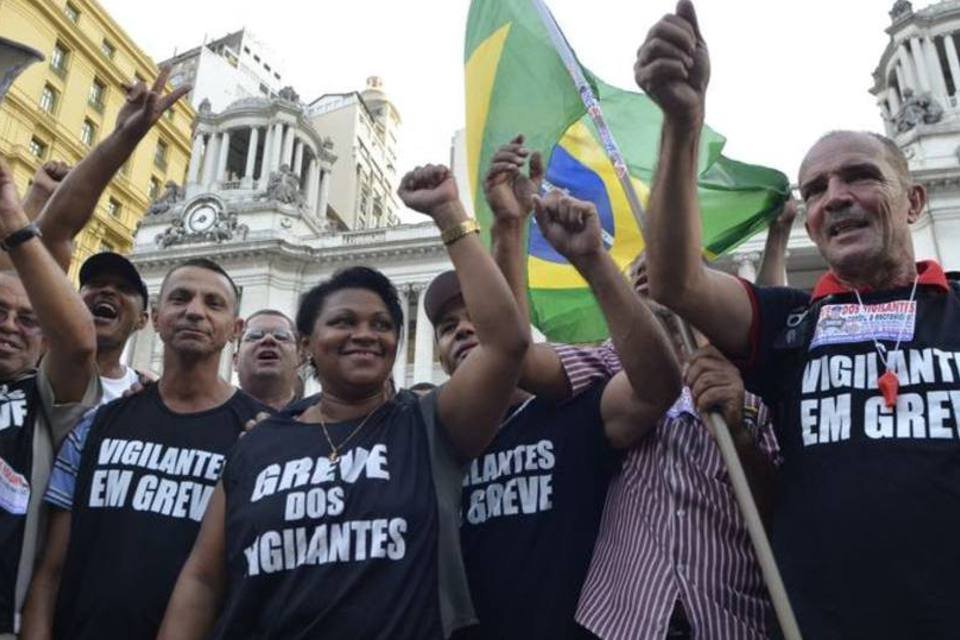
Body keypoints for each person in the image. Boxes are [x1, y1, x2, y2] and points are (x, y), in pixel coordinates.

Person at [637, 2, 960, 637]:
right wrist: (683, 122)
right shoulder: (792, 322)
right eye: (815, 190)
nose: (834, 197)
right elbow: (675, 279)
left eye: (860, 177)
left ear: (915, 201)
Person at [157, 163, 529, 639]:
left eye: (381, 325)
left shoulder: (429, 426)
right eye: (344, 322)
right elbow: (203, 579)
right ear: (307, 345)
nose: (364, 335)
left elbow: (506, 343)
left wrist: (447, 213)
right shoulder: (257, 443)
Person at [483, 137, 777, 639]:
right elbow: (521, 360)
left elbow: (778, 507)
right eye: (638, 275)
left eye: (663, 274)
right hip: (621, 624)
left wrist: (742, 426)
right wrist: (511, 229)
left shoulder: (753, 376)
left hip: (730, 622)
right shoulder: (607, 364)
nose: (649, 282)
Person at [21, 258, 270, 640]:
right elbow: (51, 570)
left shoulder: (261, 437)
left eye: (213, 303)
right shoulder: (97, 425)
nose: (194, 312)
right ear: (155, 318)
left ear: (235, 329)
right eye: (180, 298)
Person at [0, 156, 98, 637]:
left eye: (28, 320)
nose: (9, 327)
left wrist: (21, 220)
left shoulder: (44, 398)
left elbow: (79, 343)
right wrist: (31, 201)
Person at [78, 252, 150, 403]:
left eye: (124, 288)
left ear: (142, 320)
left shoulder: (143, 395)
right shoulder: (34, 367)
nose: (108, 290)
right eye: (96, 283)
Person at [234, 309, 303, 411]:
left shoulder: (319, 420)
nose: (268, 339)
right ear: (236, 361)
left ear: (300, 359)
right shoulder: (210, 419)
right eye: (255, 336)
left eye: (281, 336)